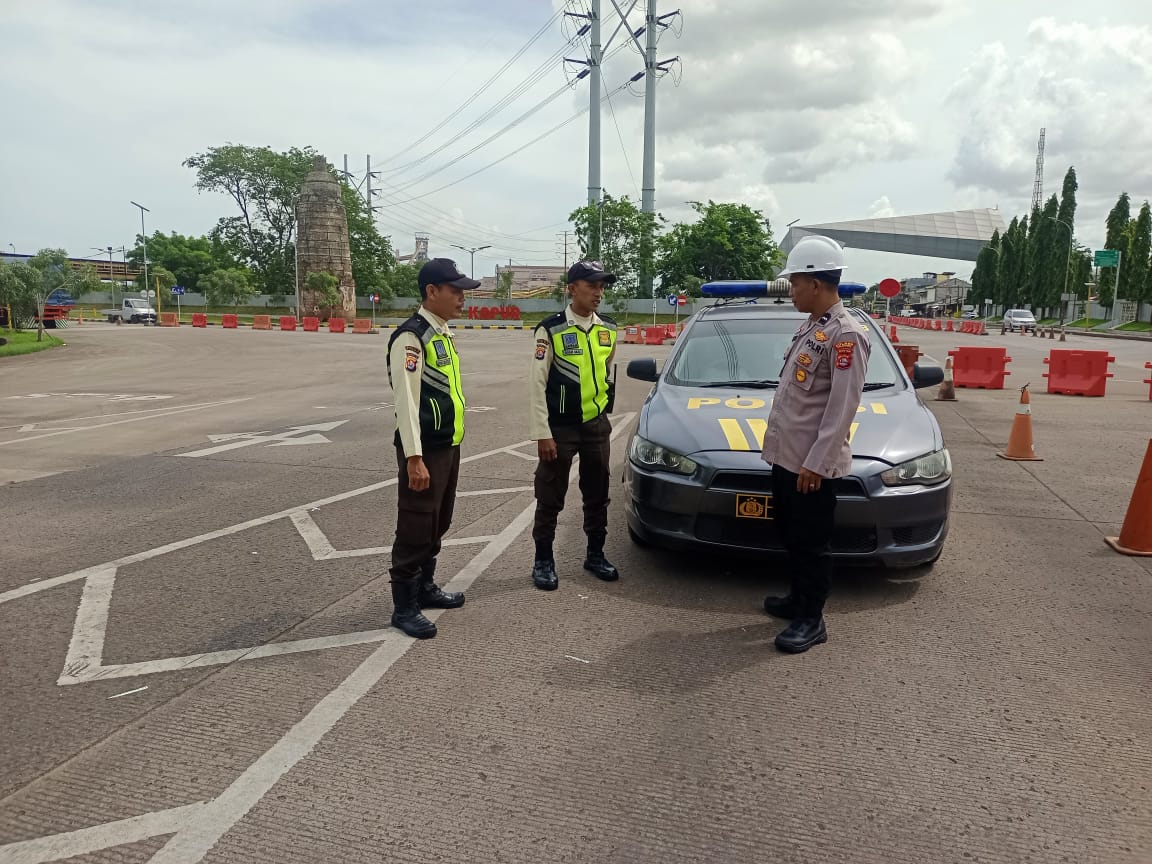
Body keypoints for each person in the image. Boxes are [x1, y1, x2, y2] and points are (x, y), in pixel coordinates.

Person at [760, 235, 870, 653]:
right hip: (788, 458)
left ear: (816, 284)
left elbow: (841, 408)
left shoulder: (846, 335)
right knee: (792, 535)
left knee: (812, 543)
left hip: (811, 466)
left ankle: (812, 619)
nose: (790, 290)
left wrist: (817, 464)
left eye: (794, 283)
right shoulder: (813, 326)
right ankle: (797, 599)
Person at [385, 257, 478, 639]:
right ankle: (404, 607)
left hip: (446, 445)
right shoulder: (411, 338)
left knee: (438, 522)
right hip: (423, 451)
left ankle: (425, 587)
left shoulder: (442, 334)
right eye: (455, 291)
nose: (462, 298)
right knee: (416, 524)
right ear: (431, 291)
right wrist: (414, 458)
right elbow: (406, 403)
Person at [527, 260, 621, 590]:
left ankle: (595, 555)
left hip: (595, 426)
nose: (599, 292)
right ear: (572, 289)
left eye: (602, 286)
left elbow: (606, 372)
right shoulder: (551, 329)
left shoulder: (608, 329)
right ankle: (543, 561)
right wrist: (543, 433)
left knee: (598, 494)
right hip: (560, 429)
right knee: (550, 496)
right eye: (592, 285)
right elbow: (537, 384)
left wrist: (603, 412)